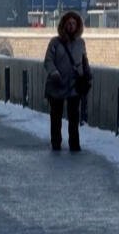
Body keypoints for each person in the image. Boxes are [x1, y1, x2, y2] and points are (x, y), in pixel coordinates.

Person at [43, 10, 92, 152]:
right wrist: (54, 73)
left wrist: (88, 74)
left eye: (74, 23)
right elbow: (48, 61)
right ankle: (56, 142)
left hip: (73, 85)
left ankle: (74, 144)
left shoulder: (81, 43)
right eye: (68, 23)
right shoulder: (55, 42)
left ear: (78, 26)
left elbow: (84, 61)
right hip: (57, 84)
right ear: (63, 25)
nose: (71, 26)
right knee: (56, 117)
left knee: (74, 117)